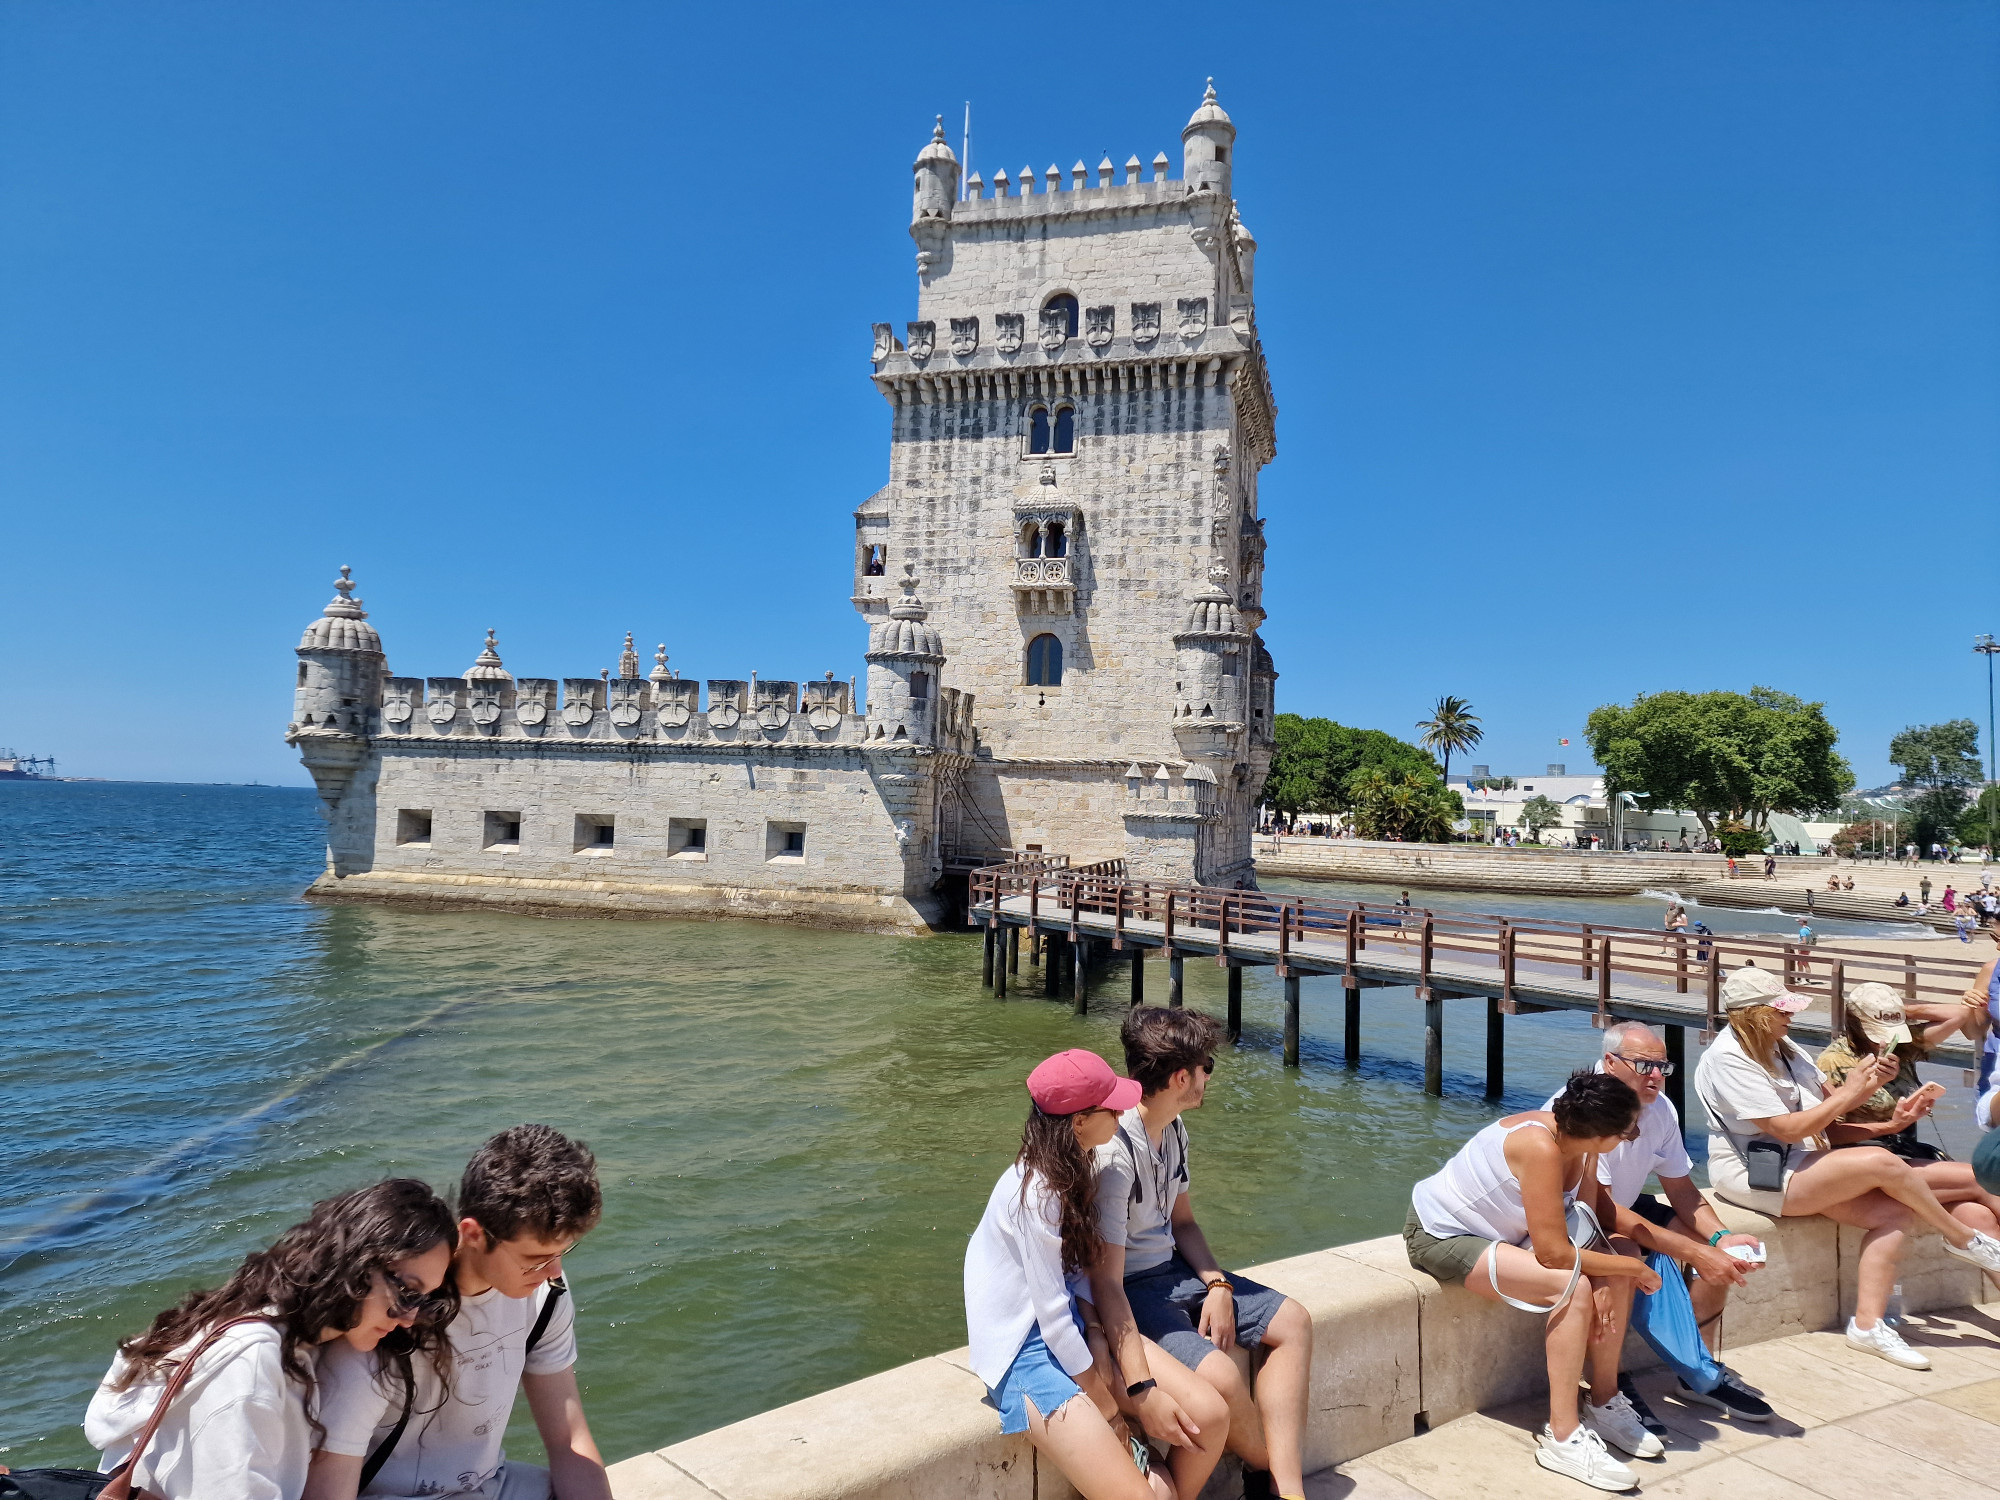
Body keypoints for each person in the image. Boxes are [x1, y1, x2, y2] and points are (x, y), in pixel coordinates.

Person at [1694, 966, 2000, 1370]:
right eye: (1781, 1010)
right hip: (1758, 1175)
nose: (1791, 1016)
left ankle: (1868, 1326)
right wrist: (1857, 1093)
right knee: (1889, 1162)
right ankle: (1962, 1239)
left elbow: (1830, 1126)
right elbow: (1787, 1130)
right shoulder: (1727, 1059)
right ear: (1753, 1014)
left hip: (1808, 1163)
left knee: (1895, 1212)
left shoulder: (1787, 1049)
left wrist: (1891, 1119)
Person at [85, 1179, 458, 1500]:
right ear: (359, 1265)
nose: (410, 1318)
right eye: (408, 1292)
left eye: (424, 1301)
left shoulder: (282, 1336)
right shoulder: (251, 1360)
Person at [964, 1049, 1227, 1500]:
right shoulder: (1035, 1193)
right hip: (1024, 1349)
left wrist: (1097, 1331)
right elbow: (1048, 1314)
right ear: (1080, 1121)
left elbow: (1075, 1275)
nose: (1124, 1110)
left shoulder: (1077, 1163)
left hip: (1072, 1322)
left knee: (1210, 1418)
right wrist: (1108, 1406)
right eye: (1112, 1105)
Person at [310, 1126, 609, 1500]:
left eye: (561, 1253)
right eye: (535, 1259)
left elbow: (569, 1442)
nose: (552, 1272)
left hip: (489, 1484)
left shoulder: (545, 1295)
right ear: (473, 1234)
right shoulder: (386, 1319)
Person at [1090, 1009, 1313, 1500]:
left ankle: (1286, 1489)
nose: (1210, 1075)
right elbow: (1104, 1277)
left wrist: (1217, 1284)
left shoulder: (1172, 1129)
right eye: (1207, 1065)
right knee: (1222, 1376)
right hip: (1131, 1286)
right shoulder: (1115, 1155)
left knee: (1294, 1322)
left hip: (1173, 1271)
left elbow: (1183, 1222)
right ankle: (1269, 1474)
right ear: (1181, 1077)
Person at [1407, 1071, 1660, 1491]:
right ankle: (1562, 1437)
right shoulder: (1539, 1146)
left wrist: (1613, 1272)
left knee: (1612, 1270)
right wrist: (1633, 1270)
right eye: (1627, 1130)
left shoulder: (1579, 1142)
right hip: (1442, 1235)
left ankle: (1603, 1400)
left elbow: (1584, 1220)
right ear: (1602, 1133)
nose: (1631, 1136)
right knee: (1574, 1286)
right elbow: (1554, 1255)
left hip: (1506, 1234)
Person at [1547, 1024, 1772, 1428]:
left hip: (1627, 1204)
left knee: (1719, 1252)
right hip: (1584, 1214)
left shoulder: (1662, 1108)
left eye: (1662, 1066)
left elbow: (1683, 1189)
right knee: (1635, 1252)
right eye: (1644, 1066)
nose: (1656, 1076)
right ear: (1611, 1063)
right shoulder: (1581, 1108)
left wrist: (1721, 1238)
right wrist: (1686, 1250)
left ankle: (1695, 1368)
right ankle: (1608, 1383)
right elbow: (1600, 1208)